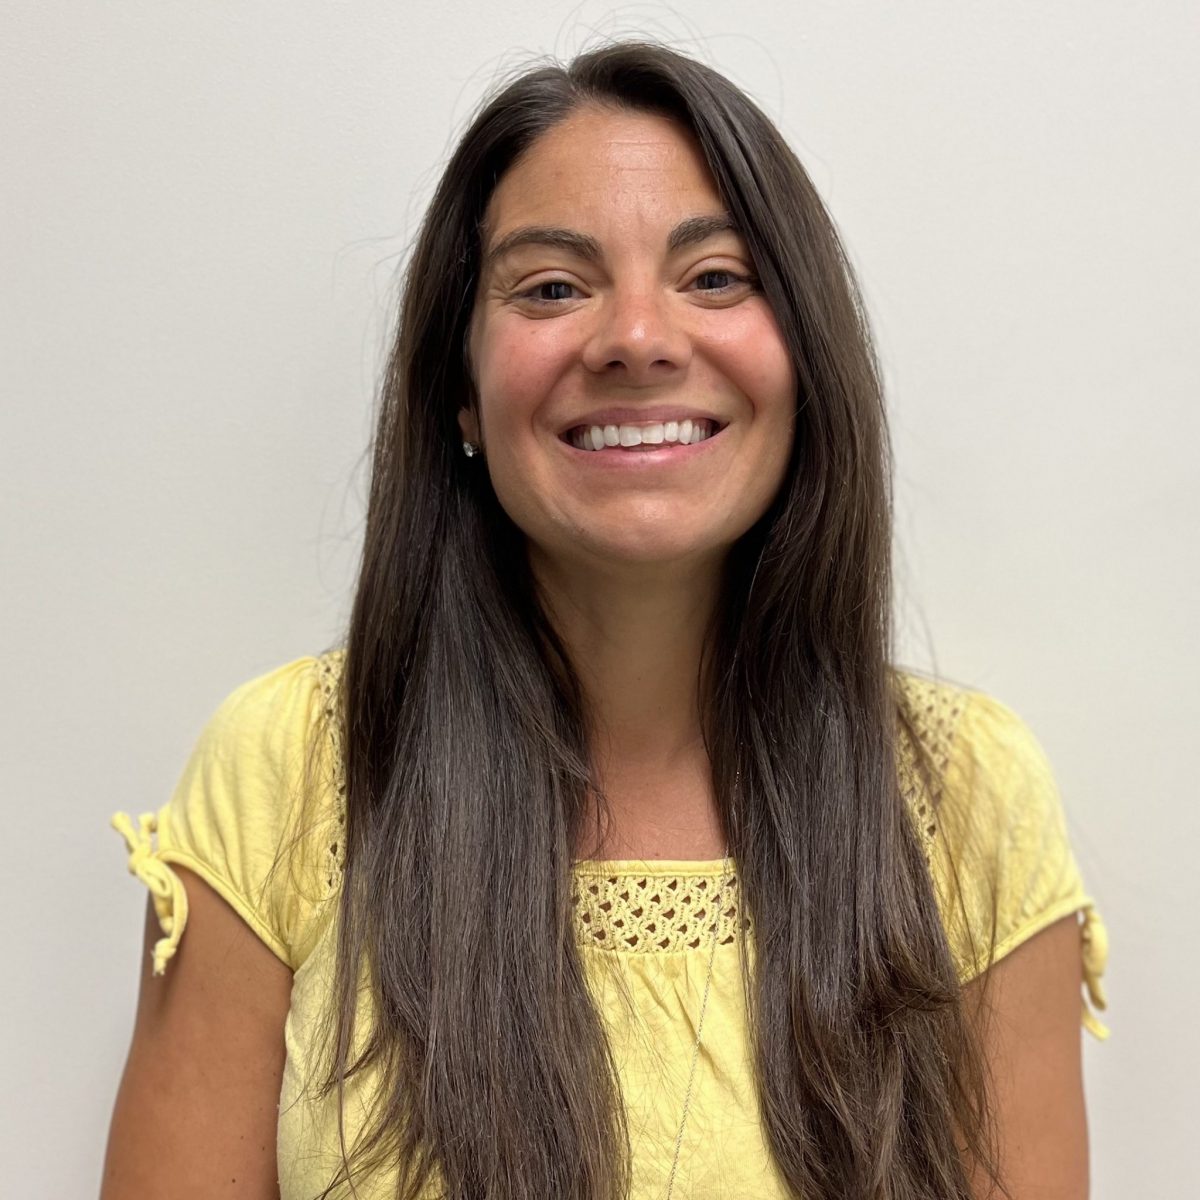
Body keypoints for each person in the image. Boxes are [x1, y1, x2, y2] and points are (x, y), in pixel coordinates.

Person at [101, 37, 1109, 1200]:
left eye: (717, 276)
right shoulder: (289, 772)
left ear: (807, 355)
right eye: (551, 287)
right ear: (462, 394)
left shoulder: (967, 798)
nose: (636, 337)